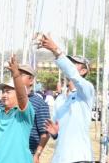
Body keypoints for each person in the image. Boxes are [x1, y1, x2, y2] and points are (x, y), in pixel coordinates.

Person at [39, 35, 94, 163]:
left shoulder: (86, 91)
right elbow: (56, 130)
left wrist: (56, 50)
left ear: (83, 70)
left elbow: (73, 75)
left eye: (73, 63)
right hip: (61, 157)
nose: (69, 66)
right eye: (69, 63)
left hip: (79, 158)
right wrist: (55, 134)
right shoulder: (60, 99)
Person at [16, 64, 50, 163]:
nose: (16, 78)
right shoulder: (9, 101)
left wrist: (37, 154)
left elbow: (45, 134)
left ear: (31, 80)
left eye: (20, 75)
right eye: (15, 75)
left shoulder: (40, 104)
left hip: (27, 155)